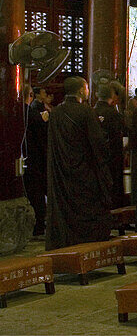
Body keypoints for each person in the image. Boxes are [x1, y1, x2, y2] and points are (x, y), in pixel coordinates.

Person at [45, 77, 114, 249]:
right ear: (82, 91)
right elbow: (98, 144)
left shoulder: (56, 112)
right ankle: (87, 244)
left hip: (62, 171)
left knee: (66, 210)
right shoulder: (86, 112)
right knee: (88, 208)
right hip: (84, 171)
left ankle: (64, 241)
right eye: (87, 88)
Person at [92, 79, 127, 209]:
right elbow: (121, 134)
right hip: (114, 157)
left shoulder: (91, 112)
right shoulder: (114, 114)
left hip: (96, 158)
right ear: (112, 97)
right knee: (114, 186)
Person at [23, 84, 50, 236]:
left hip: (24, 159)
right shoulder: (33, 114)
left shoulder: (18, 112)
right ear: (31, 95)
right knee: (37, 194)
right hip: (36, 160)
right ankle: (39, 225)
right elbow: (42, 139)